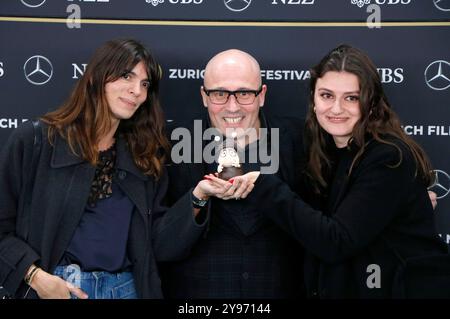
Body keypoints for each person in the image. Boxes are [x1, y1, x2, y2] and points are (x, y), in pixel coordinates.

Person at [205, 44, 448, 298]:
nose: (336, 109)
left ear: (372, 103)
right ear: (313, 99)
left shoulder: (388, 157)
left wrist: (262, 184)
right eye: (327, 95)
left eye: (351, 98)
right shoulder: (328, 149)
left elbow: (335, 241)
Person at [0, 39, 208, 299]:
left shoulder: (144, 157)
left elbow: (158, 244)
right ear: (98, 77)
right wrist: (35, 276)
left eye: (145, 84)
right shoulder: (35, 142)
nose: (137, 91)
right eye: (126, 76)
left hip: (125, 291)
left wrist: (199, 197)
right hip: (57, 290)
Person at [159, 49, 306, 298]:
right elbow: (161, 246)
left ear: (262, 95)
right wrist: (197, 199)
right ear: (204, 96)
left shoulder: (300, 142)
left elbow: (322, 234)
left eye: (244, 93)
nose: (232, 107)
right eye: (219, 94)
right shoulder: (171, 146)